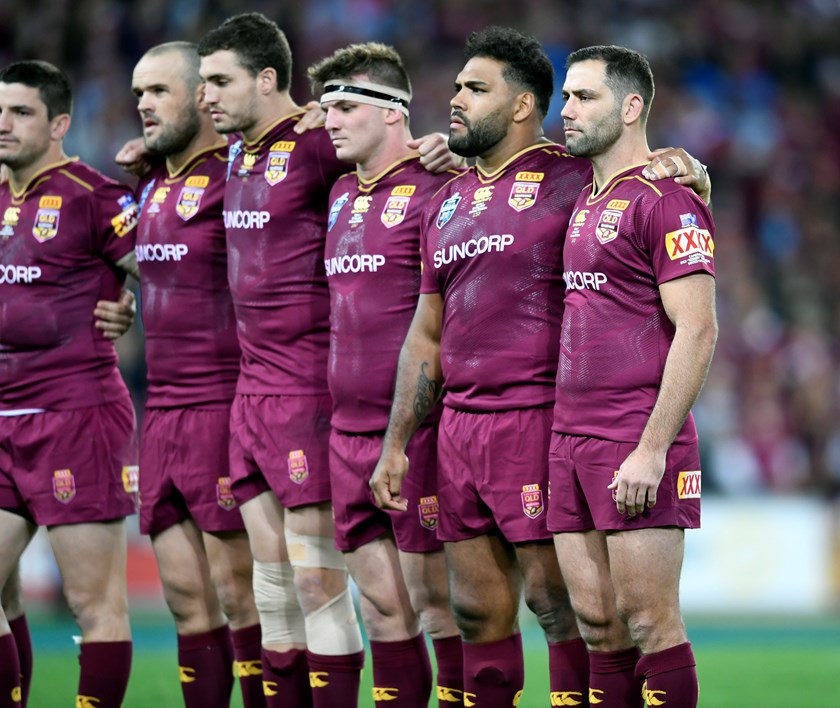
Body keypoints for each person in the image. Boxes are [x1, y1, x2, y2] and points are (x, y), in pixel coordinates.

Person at [370, 27, 710, 707]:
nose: (456, 99)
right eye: (457, 85)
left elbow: (691, 304)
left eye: (475, 87)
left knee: (609, 619)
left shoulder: (575, 178)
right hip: (495, 433)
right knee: (502, 617)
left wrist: (694, 172)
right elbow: (425, 331)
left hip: (564, 421)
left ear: (522, 104)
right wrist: (399, 441)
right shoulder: (456, 200)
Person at [197, 14, 366, 707]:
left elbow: (399, 161)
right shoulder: (237, 150)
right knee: (270, 589)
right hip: (250, 391)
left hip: (307, 389)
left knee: (314, 583)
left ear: (267, 80)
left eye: (219, 80)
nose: (205, 95)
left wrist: (441, 152)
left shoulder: (319, 140)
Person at [549, 45, 717, 708]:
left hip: (634, 437)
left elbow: (698, 330)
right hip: (569, 439)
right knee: (598, 629)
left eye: (584, 97)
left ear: (631, 106)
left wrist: (652, 449)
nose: (568, 110)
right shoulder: (582, 195)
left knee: (649, 623)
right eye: (565, 97)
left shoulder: (666, 200)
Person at [308, 42, 464, 707]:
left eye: (344, 107)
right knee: (381, 615)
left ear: (395, 112)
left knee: (442, 612)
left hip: (418, 435)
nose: (330, 121)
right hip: (345, 434)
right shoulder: (341, 192)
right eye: (326, 108)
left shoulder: (441, 190)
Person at [0, 60, 140, 708]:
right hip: (3, 415)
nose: (3, 124)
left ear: (59, 123)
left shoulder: (94, 195)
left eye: (20, 112)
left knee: (93, 604)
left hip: (76, 414)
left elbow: (168, 274)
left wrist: (135, 306)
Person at [129, 41, 265, 708]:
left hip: (222, 404)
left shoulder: (238, 175)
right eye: (138, 94)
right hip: (160, 415)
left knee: (243, 596)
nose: (144, 105)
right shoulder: (151, 183)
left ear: (204, 98)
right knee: (187, 601)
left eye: (159, 91)